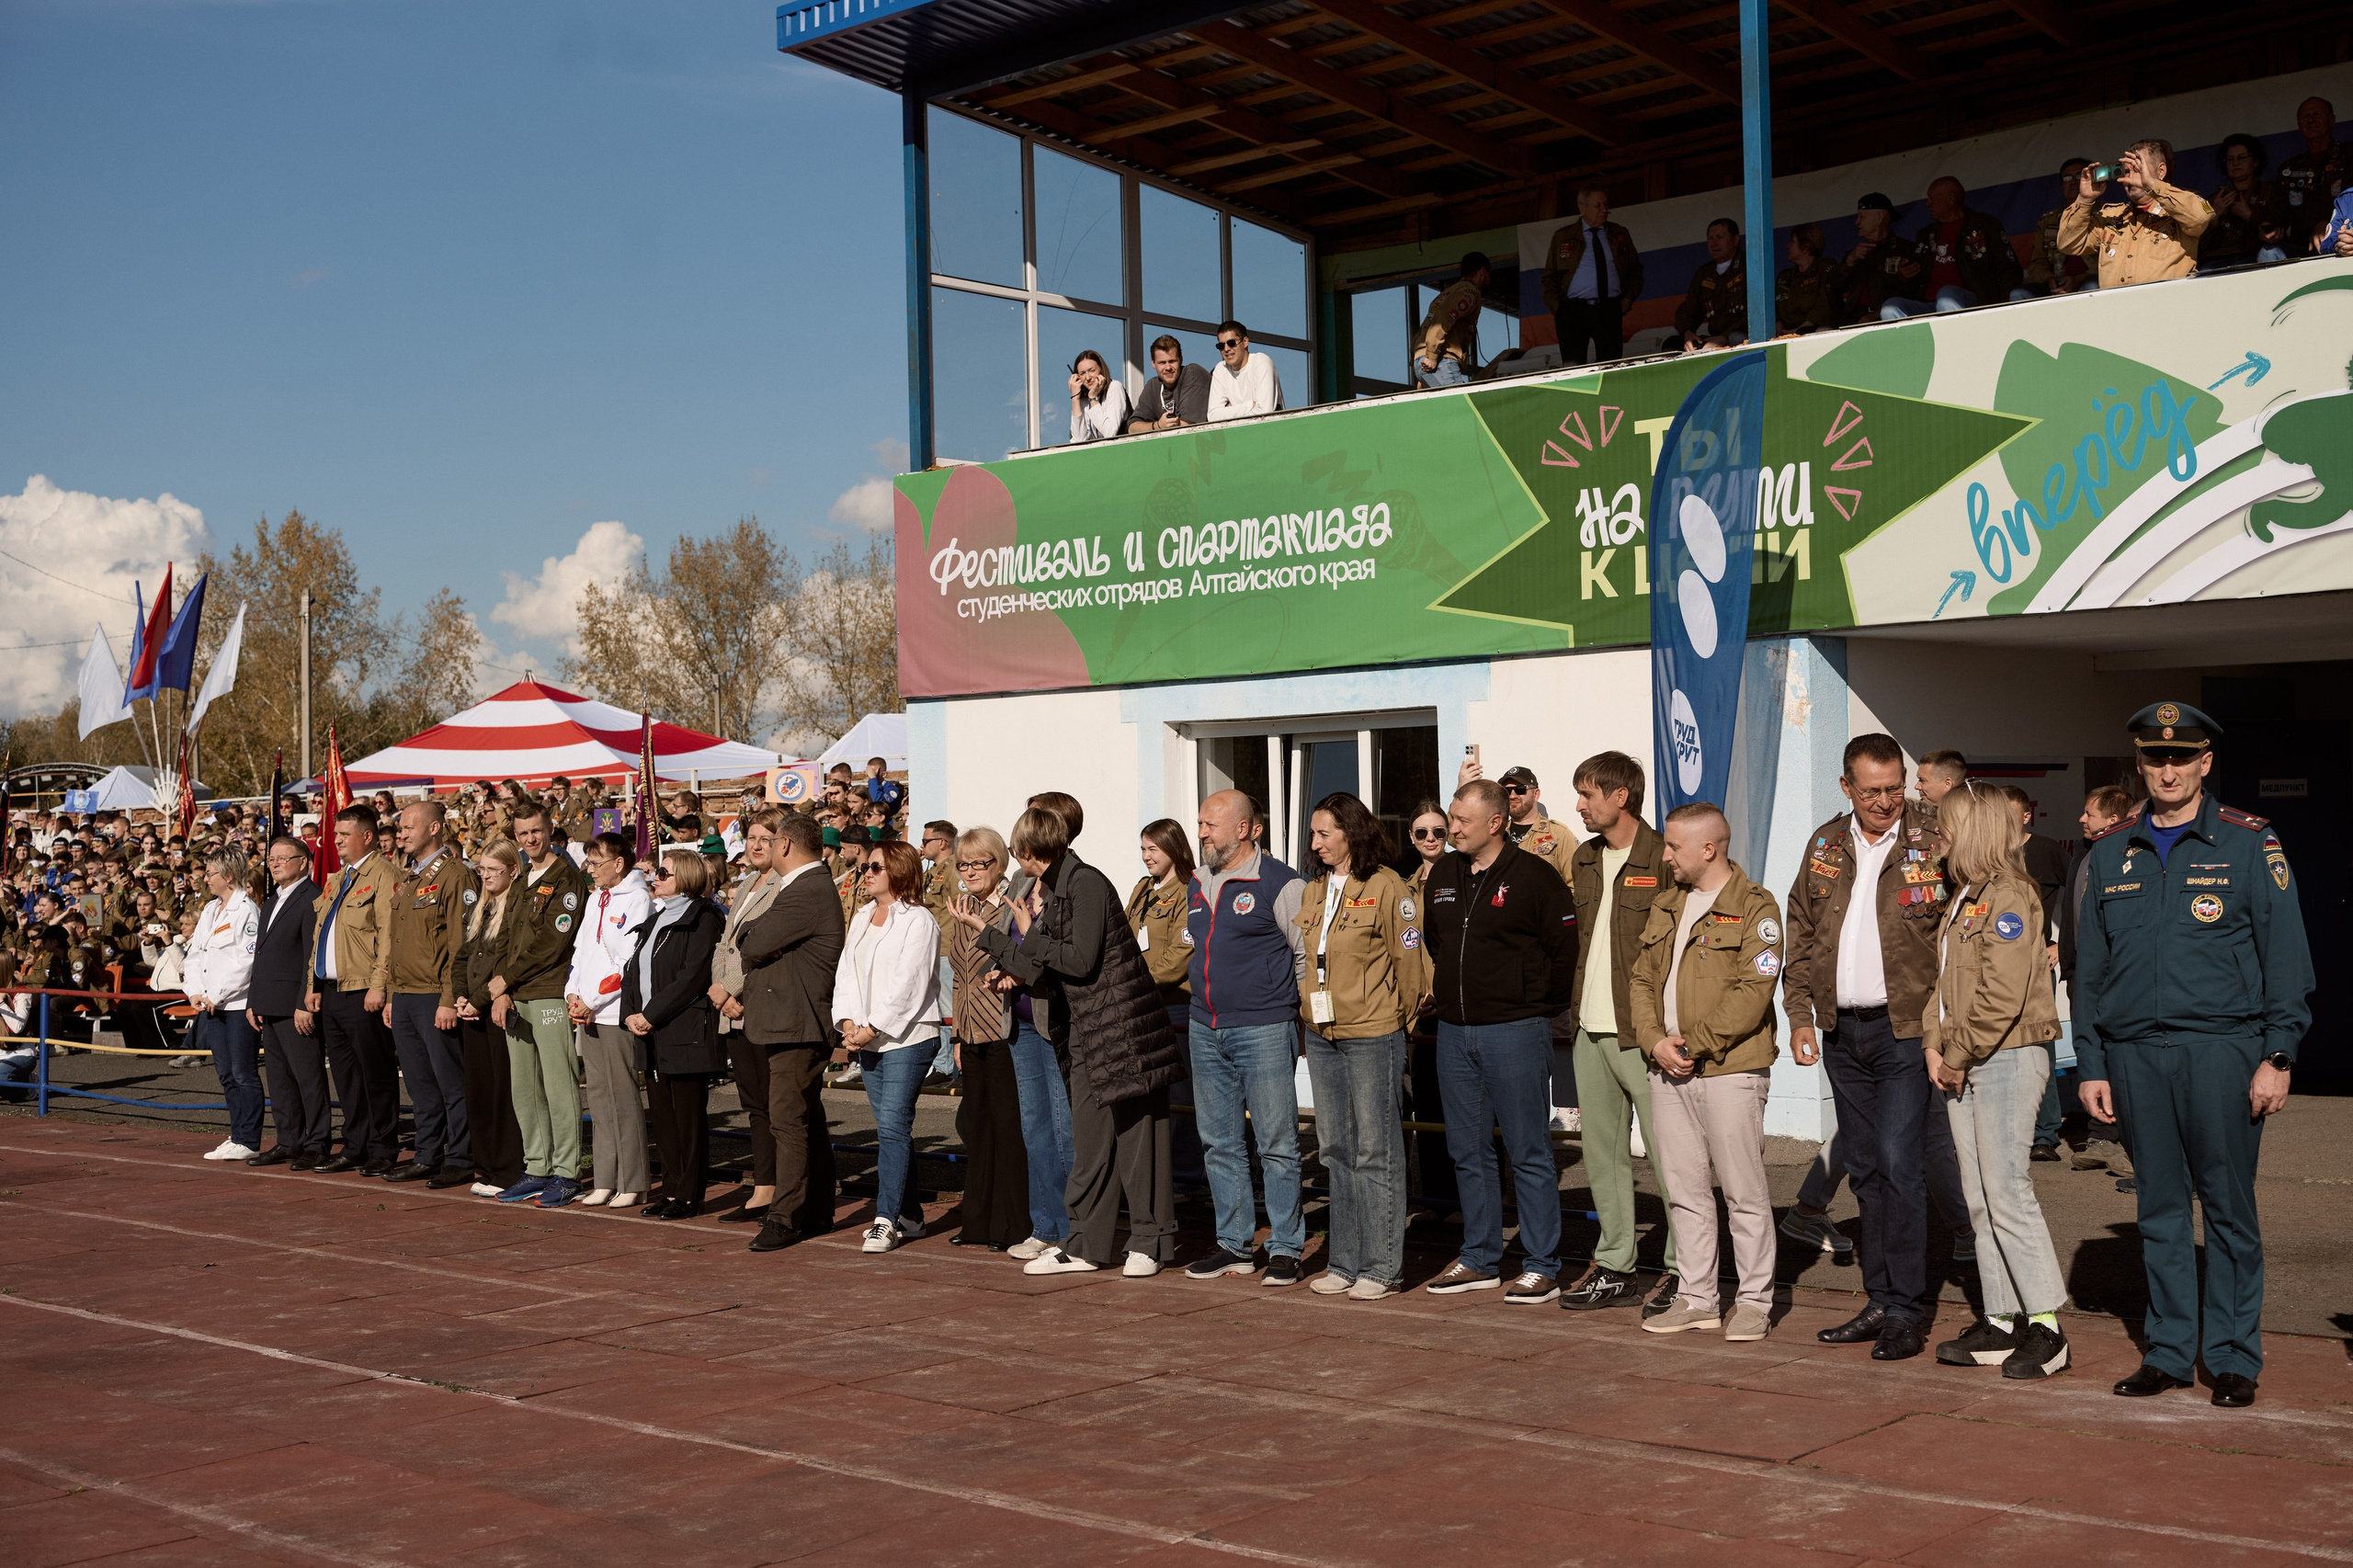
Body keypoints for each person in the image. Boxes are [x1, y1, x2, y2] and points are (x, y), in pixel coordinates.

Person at [2075, 703, 2312, 1408]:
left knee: (2230, 1210)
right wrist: (2091, 1062)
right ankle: (2172, 1351)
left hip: (2224, 1052)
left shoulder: (2248, 843)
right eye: (2155, 757)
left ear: (2206, 762)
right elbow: (2089, 971)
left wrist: (2279, 1053)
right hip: (2135, 1056)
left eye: (2182, 757)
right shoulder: (2110, 851)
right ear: (2140, 765)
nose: (2168, 769)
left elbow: (2287, 959)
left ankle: (2234, 1357)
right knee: (2161, 1210)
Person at [1782, 733, 1974, 1364]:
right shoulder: (1824, 843)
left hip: (1907, 1031)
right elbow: (1802, 929)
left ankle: (1908, 1310)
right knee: (1864, 1168)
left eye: (1895, 787)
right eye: (1872, 791)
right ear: (1847, 788)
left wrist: (1954, 1027)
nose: (1887, 801)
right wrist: (1800, 1015)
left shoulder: (1935, 839)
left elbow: (1967, 922)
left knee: (1899, 1164)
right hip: (1841, 1030)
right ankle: (1880, 1297)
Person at [966, 804, 1184, 1278]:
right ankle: (1085, 1243)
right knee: (1091, 1144)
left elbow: (1081, 960)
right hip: (1087, 1032)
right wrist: (992, 938)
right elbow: (1038, 964)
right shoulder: (1052, 887)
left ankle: (1148, 1242)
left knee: (1137, 1141)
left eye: (1016, 851)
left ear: (1028, 851)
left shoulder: (1084, 883)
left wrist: (1024, 934)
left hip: (1124, 1030)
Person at [1923, 783, 2070, 1380]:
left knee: (2007, 1192)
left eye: (1947, 827)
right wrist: (1935, 1045)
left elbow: (2002, 994)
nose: (1939, 838)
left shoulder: (2011, 895)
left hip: (2006, 1056)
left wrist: (1954, 1052)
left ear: (1973, 832)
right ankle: (2003, 1319)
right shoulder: (1965, 897)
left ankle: (2046, 1326)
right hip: (1968, 1057)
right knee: (1980, 1199)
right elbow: (1942, 985)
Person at [1628, 803, 1783, 1342]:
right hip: (1668, 1068)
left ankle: (1754, 1301)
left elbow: (1752, 993)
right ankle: (1697, 1298)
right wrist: (1654, 1041)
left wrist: (1691, 1043)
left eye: (1673, 847)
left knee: (1744, 1192)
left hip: (1730, 1070)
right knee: (1683, 1191)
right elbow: (1641, 982)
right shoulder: (1667, 904)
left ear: (1709, 849)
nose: (1665, 855)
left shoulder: (1755, 907)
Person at [1420, 778, 1579, 1302]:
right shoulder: (1442, 874)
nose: (1451, 829)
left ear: (1495, 823)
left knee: (1527, 1149)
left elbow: (1563, 953)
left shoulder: (1536, 876)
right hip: (1454, 1032)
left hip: (1516, 1030)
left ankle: (1541, 1263)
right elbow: (1437, 942)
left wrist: (1531, 1006)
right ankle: (1479, 1258)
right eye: (1450, 819)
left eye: (1462, 822)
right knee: (1467, 1149)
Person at [1558, 753, 1681, 1316]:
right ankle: (1615, 1265)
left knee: (1671, 1157)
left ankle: (1685, 1270)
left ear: (1619, 797)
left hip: (1646, 1033)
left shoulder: (1664, 855)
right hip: (1590, 1028)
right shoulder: (1584, 858)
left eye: (1587, 794)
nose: (1579, 805)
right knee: (1601, 1155)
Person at [1294, 791, 1423, 1301]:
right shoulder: (1315, 890)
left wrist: (1397, 1022)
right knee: (1336, 1149)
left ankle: (1383, 1266)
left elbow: (1410, 965)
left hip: (1373, 1034)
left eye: (1325, 833)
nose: (1316, 843)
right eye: (1313, 834)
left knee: (1376, 1150)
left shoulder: (1388, 886)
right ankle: (1344, 1260)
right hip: (1322, 1036)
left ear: (1352, 832)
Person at [1179, 790, 1307, 1285]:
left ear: (1245, 828)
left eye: (1210, 823)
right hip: (1204, 1025)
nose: (1202, 831)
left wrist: (1289, 1014)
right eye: (1200, 823)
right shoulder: (1197, 881)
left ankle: (1285, 1246)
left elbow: (1302, 956)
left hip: (1264, 1028)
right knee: (1219, 1142)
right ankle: (1233, 1244)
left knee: (1277, 1142)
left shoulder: (1280, 883)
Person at [736, 812, 847, 1253]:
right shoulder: (802, 887)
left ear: (784, 844)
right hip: (790, 1020)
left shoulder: (806, 889)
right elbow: (754, 939)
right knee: (805, 1119)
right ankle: (816, 1208)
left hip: (797, 1023)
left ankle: (785, 1217)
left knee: (787, 1121)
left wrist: (758, 938)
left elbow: (753, 941)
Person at [831, 838, 944, 1254]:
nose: (867, 873)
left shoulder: (919, 921)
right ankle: (911, 1214)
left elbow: (909, 986)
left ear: (897, 871)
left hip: (907, 1038)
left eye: (875, 867)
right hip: (866, 1036)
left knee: (894, 1126)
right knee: (892, 1129)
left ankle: (885, 1219)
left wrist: (872, 1027)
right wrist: (847, 1021)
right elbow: (847, 973)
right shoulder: (862, 915)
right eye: (866, 867)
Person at [483, 800, 593, 1206]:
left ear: (550, 829)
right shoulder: (523, 877)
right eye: (523, 833)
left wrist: (504, 981)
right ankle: (537, 1166)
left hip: (549, 991)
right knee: (524, 1089)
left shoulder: (568, 878)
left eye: (537, 831)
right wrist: (504, 990)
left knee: (559, 1086)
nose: (530, 839)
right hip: (516, 995)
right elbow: (505, 940)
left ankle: (566, 1173)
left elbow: (552, 943)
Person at [622, 848, 729, 1221]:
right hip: (651, 1032)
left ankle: (689, 1195)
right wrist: (630, 1016)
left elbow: (693, 976)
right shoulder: (656, 918)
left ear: (684, 876)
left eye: (664, 873)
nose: (656, 879)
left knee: (687, 1118)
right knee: (664, 1118)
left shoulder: (704, 916)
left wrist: (650, 1015)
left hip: (684, 1031)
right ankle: (670, 1191)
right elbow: (633, 970)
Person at [382, 801, 477, 1187]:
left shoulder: (455, 875)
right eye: (400, 828)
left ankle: (461, 1156)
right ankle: (427, 1154)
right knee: (420, 1083)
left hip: (435, 995)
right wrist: (390, 994)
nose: (401, 833)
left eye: (407, 827)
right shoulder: (409, 877)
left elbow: (462, 944)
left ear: (435, 828)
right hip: (405, 994)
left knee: (451, 1083)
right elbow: (397, 942)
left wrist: (448, 998)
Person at [307, 804, 403, 1176]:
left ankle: (383, 1146)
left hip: (364, 990)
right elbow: (321, 936)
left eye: (344, 835)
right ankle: (355, 1144)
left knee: (375, 1074)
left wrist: (379, 986)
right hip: (332, 990)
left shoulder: (383, 875)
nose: (337, 841)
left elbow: (388, 938)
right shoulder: (338, 878)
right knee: (346, 1074)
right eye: (335, 835)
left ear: (367, 837)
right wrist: (312, 984)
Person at [947, 826, 1028, 1250]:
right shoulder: (961, 905)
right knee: (975, 1128)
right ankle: (976, 1222)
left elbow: (1013, 962)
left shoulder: (1010, 907)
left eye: (982, 863)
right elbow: (959, 977)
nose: (972, 871)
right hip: (970, 1032)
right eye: (964, 864)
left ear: (1000, 864)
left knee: (1008, 1131)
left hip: (1003, 1030)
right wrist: (958, 1037)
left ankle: (1012, 1225)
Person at [564, 832, 653, 1208]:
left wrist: (594, 999)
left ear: (619, 863)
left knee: (622, 1096)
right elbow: (582, 950)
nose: (590, 870)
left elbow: (628, 959)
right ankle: (604, 1177)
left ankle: (633, 1180)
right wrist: (572, 993)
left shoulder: (638, 899)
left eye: (596, 863)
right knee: (598, 1097)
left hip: (614, 1010)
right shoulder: (596, 897)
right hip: (587, 1010)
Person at [710, 812, 786, 1221]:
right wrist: (718, 991)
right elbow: (725, 945)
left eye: (765, 838)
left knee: (774, 1103)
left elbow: (766, 946)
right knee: (754, 1103)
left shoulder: (782, 885)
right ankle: (763, 1183)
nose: (756, 845)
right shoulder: (743, 886)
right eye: (751, 838)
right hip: (731, 1006)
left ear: (783, 842)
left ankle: (773, 1186)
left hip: (759, 1003)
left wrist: (731, 988)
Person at [1126, 817, 1202, 1187]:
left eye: (1153, 849)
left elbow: (1180, 954)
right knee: (1148, 1092)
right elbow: (1126, 938)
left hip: (1175, 1004)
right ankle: (1155, 1175)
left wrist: (1134, 980)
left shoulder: (1190, 889)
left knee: (1180, 1093)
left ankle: (1186, 1176)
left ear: (1173, 848)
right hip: (1141, 1001)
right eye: (1143, 849)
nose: (1146, 857)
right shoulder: (1143, 889)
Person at [243, 835, 323, 1168]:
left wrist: (304, 1002)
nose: (274, 863)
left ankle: (317, 1142)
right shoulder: (272, 899)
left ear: (303, 862)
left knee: (308, 1076)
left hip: (295, 1003)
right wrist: (253, 1000)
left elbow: (311, 954)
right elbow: (261, 955)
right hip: (268, 1002)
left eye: (282, 858)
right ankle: (288, 1140)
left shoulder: (313, 897)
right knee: (279, 1078)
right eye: (271, 859)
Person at [454, 839, 529, 1196]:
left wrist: (480, 999)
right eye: (480, 870)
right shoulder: (480, 907)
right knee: (479, 1090)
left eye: (492, 870)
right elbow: (462, 956)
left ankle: (508, 1168)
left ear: (513, 870)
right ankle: (484, 1166)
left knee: (505, 1091)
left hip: (498, 1008)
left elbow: (508, 963)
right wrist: (460, 995)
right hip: (472, 1009)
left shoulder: (518, 906)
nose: (484, 876)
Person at [183, 847, 264, 1164]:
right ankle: (237, 1133)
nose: (206, 878)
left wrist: (215, 993)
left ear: (228, 876)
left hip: (236, 1003)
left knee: (244, 1073)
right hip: (210, 1003)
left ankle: (249, 1138)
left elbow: (247, 961)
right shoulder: (209, 910)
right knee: (226, 1074)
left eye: (211, 873)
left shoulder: (246, 910)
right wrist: (194, 992)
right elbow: (195, 954)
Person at [2057, 141, 2212, 290]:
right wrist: (2084, 200)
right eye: (2126, 171)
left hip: (2166, 308)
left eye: (2138, 169)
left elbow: (2200, 218)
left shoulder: (2181, 207)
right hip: (2118, 310)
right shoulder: (2111, 216)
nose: (2131, 178)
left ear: (2161, 171)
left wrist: (2152, 185)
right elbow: (2068, 244)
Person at [1400, 800, 1455, 1210]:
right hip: (1417, 1012)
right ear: (1412, 837)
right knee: (1428, 1111)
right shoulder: (1405, 886)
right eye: (1423, 832)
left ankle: (1469, 1204)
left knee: (1468, 1113)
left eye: (1439, 831)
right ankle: (1437, 1201)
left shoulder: (1464, 874)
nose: (1431, 839)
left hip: (1455, 1006)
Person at [1880, 177, 2029, 317]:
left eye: (1932, 198)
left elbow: (2010, 270)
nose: (1928, 204)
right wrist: (1904, 277)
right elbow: (1915, 285)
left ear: (1950, 199)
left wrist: (2002, 308)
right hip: (1928, 305)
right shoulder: (1925, 235)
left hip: (1974, 302)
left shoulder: (1985, 226)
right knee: (1890, 307)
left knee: (1946, 295)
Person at [1541, 188, 1643, 367]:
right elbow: (1549, 277)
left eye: (1606, 204)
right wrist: (1560, 310)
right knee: (1573, 369)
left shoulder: (1619, 234)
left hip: (1609, 308)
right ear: (1582, 208)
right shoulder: (1563, 236)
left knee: (1611, 368)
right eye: (1598, 205)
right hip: (1573, 310)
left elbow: (1635, 271)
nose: (1604, 209)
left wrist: (1627, 299)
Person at [2201, 133, 2287, 271]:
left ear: (2255, 161)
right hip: (2216, 261)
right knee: (2203, 272)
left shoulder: (2273, 191)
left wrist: (2249, 216)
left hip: (2253, 257)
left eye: (2242, 158)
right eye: (2230, 159)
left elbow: (2278, 226)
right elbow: (2197, 240)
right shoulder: (2209, 200)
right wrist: (2214, 216)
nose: (2236, 163)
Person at [2279, 97, 2350, 244]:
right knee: (2268, 253)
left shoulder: (2350, 155)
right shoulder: (2289, 169)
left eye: (2317, 114)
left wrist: (2326, 222)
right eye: (2306, 116)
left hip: (2341, 237)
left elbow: (2349, 197)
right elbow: (2278, 211)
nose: (2311, 120)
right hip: (2301, 245)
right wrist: (2270, 226)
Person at [1841, 192, 1923, 321]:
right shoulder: (1854, 255)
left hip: (1886, 319)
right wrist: (1849, 262)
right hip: (1850, 319)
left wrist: (1903, 279)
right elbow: (1831, 290)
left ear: (1879, 218)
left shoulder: (1905, 250)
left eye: (1861, 217)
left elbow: (1915, 296)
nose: (1857, 222)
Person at [1672, 219, 1746, 351]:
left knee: (1736, 338)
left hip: (1742, 336)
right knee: (1672, 344)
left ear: (1735, 240)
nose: (1714, 243)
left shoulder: (1748, 266)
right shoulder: (1704, 273)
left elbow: (1756, 311)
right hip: (1714, 339)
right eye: (1710, 238)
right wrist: (1687, 333)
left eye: (1719, 237)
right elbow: (1688, 310)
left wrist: (1724, 336)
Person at [1419, 250, 1491, 367]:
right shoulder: (1470, 292)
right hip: (1443, 357)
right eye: (1489, 274)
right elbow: (1444, 316)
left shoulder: (1449, 292)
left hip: (1425, 354)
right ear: (1482, 271)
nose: (1489, 278)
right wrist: (1431, 355)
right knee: (1457, 385)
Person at [1127, 335, 1211, 433]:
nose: (1168, 367)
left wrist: (1162, 426)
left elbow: (1187, 427)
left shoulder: (1192, 373)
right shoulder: (1153, 386)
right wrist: (1158, 425)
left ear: (1181, 359)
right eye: (1162, 363)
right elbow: (1132, 428)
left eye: (1172, 361)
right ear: (1153, 364)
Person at [1774, 223, 1844, 336]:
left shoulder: (1826, 268)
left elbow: (1825, 304)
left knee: (1823, 331)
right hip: (1786, 332)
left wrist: (1799, 330)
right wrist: (1778, 326)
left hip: (1813, 329)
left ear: (1806, 246)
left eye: (1792, 242)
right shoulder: (1785, 277)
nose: (1787, 246)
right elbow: (1774, 307)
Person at [1206, 321, 1281, 422]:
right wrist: (1249, 405)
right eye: (1221, 346)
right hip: (1238, 435)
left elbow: (1265, 412)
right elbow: (1213, 416)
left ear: (1245, 342)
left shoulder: (1261, 363)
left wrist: (1228, 414)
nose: (1226, 349)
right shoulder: (1220, 369)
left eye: (1231, 343)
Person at [1066, 348, 1128, 445]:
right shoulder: (1083, 399)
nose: (1088, 378)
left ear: (1101, 370)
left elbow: (1110, 433)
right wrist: (1075, 398)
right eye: (1082, 373)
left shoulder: (1114, 387)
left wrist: (1093, 399)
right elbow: (1079, 440)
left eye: (1092, 370)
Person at [1411, 321, 1469, 390]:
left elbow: (1419, 334)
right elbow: (1442, 320)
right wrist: (1432, 356)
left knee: (1448, 398)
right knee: (1458, 396)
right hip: (1441, 357)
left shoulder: (1434, 312)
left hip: (1422, 357)